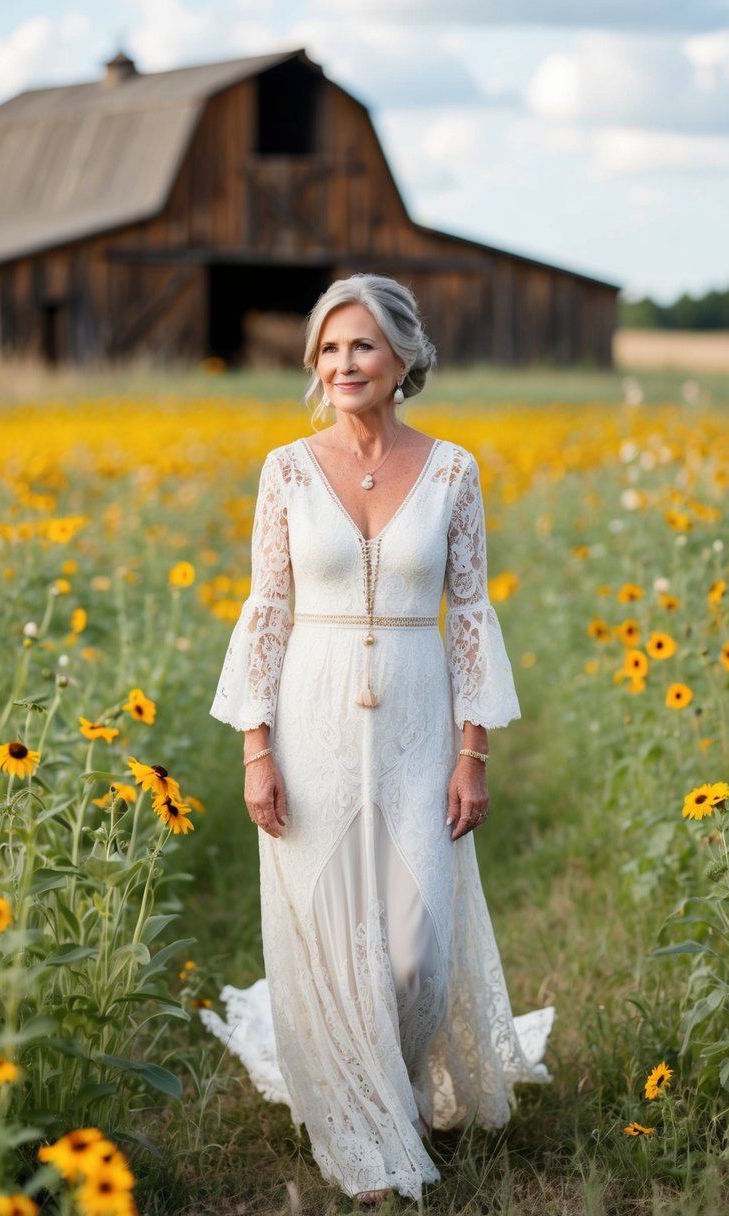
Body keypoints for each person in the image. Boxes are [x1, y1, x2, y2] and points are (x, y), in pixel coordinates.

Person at [206, 274, 553, 1207]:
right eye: (327, 348)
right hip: (310, 711)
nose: (341, 364)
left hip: (415, 713)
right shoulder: (284, 469)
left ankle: (392, 1071)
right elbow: (267, 612)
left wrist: (472, 753)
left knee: (416, 954)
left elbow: (472, 611)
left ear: (402, 357)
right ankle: (365, 1117)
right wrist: (256, 748)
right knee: (329, 924)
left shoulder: (452, 471)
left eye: (359, 346)